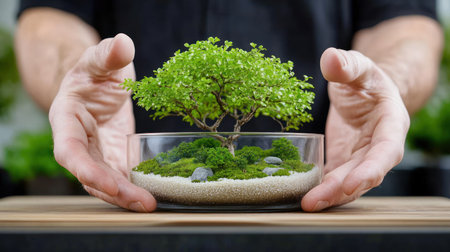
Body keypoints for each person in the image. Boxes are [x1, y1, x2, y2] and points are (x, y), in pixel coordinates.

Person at [15, 0, 443, 212]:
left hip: (328, 193)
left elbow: (404, 20)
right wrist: (76, 80)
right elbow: (49, 17)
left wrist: (386, 85)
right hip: (128, 200)